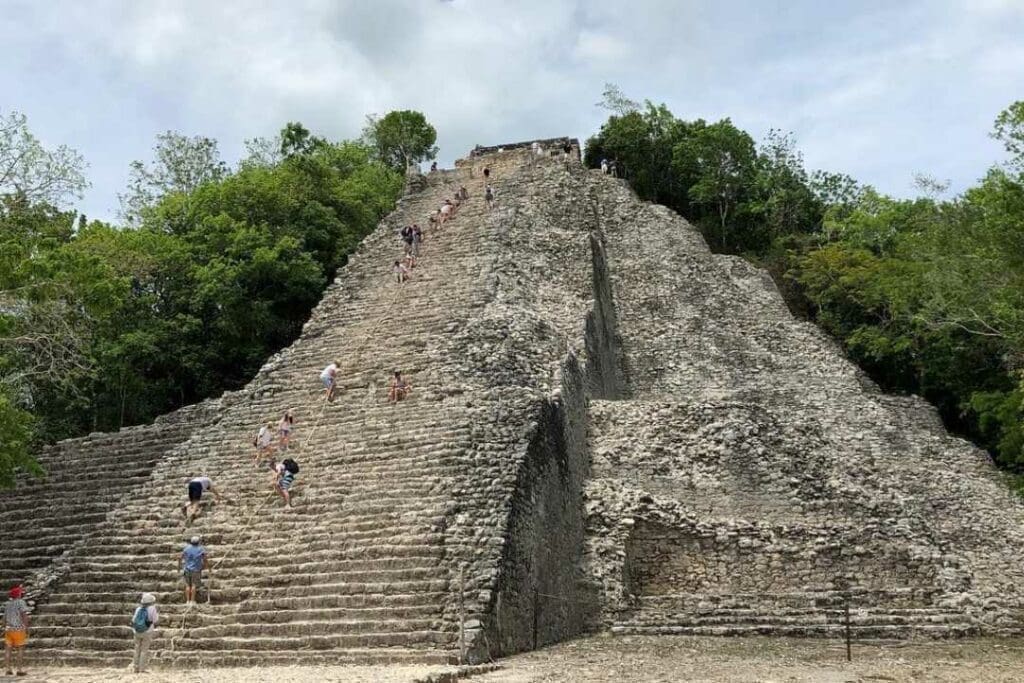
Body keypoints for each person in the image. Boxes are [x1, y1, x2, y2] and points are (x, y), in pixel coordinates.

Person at [131, 592, 158, 673]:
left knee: (137, 649)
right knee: (144, 650)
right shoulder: (152, 609)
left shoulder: (138, 609)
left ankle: (135, 667)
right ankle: (142, 668)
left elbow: (133, 620)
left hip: (137, 631)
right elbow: (155, 620)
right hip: (147, 631)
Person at [4, 586, 28, 677]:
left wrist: (4, 627)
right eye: (21, 593)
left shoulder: (8, 604)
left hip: (8, 629)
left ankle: (8, 669)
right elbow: (24, 615)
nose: (22, 594)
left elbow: (4, 618)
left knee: (8, 650)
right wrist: (26, 627)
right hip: (19, 629)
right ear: (18, 594)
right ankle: (19, 669)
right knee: (20, 649)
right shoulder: (21, 602)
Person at [180, 536, 208, 605]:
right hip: (196, 569)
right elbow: (205, 559)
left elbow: (180, 557)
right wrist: (207, 567)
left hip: (187, 569)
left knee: (187, 585)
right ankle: (192, 600)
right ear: (198, 542)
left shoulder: (187, 549)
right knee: (193, 585)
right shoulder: (200, 549)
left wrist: (179, 566)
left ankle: (187, 600)